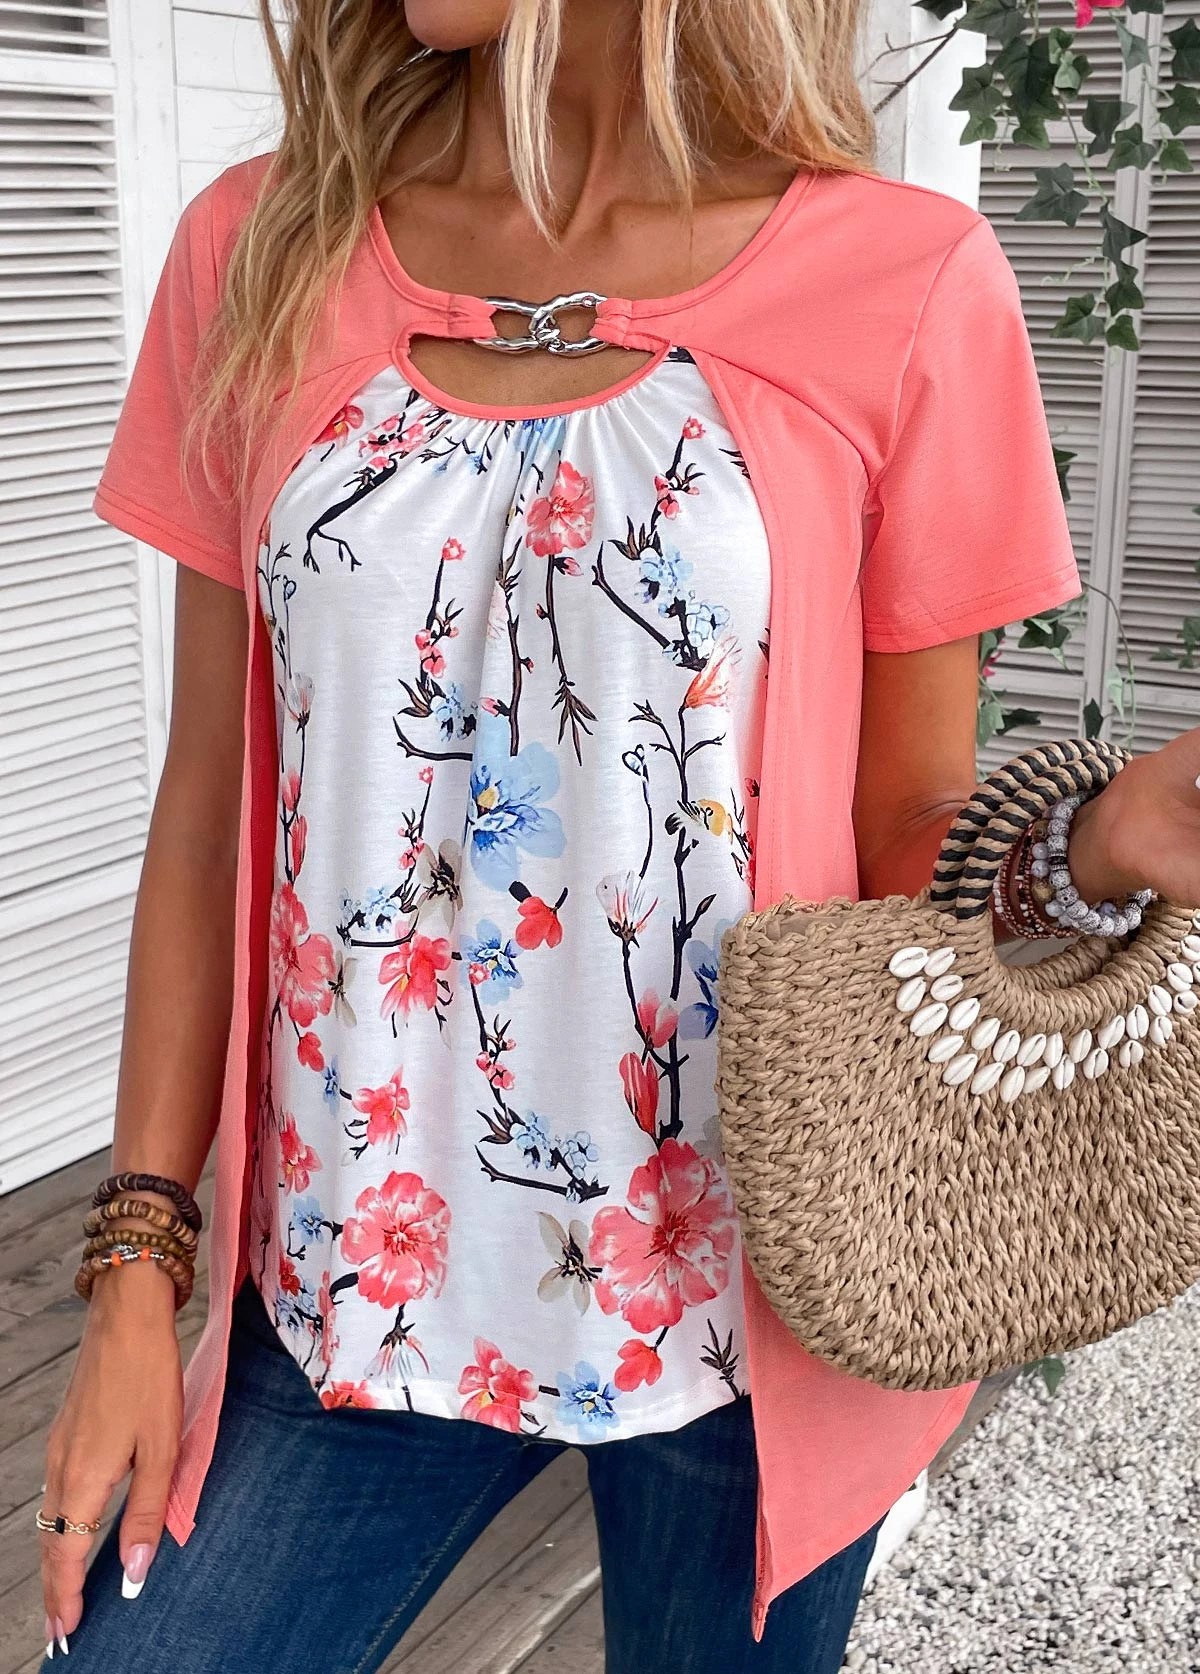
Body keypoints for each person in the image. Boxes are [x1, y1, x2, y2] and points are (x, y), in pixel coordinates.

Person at [36, 1, 1200, 1669]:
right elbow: (208, 811)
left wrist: (1096, 848)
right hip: (343, 1292)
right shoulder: (260, 248)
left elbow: (899, 834)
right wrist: (138, 1267)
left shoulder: (909, 283)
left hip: (756, 1304)